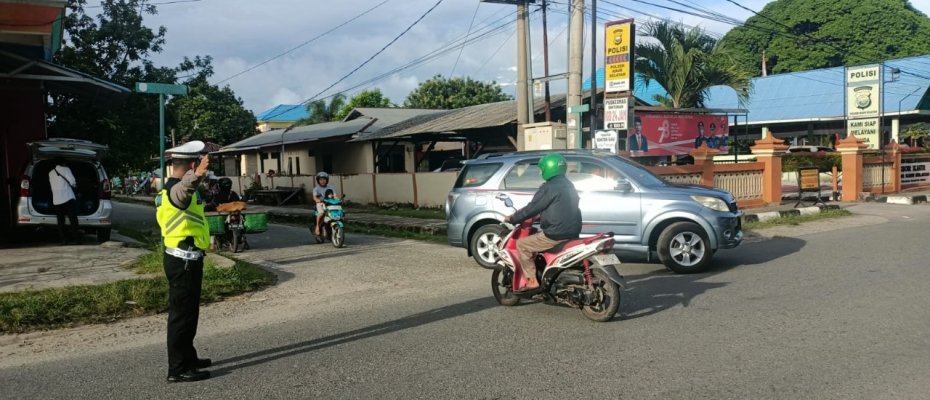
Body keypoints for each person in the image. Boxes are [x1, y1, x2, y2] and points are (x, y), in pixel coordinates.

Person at [155, 141, 212, 383]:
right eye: (195, 165)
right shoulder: (175, 189)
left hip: (186, 259)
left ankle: (189, 357)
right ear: (191, 164)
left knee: (189, 314)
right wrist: (196, 176)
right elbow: (183, 194)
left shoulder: (168, 188)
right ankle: (177, 369)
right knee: (181, 316)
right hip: (182, 262)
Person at [503, 154, 582, 294]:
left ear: (548, 168)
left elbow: (532, 207)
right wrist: (543, 216)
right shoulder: (569, 185)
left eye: (542, 169)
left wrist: (514, 218)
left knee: (522, 244)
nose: (540, 172)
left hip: (555, 233)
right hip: (573, 232)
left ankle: (532, 281)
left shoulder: (549, 187)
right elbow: (560, 207)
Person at [48, 157, 82, 245]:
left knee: (60, 221)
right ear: (63, 163)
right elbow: (72, 181)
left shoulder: (51, 173)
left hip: (57, 199)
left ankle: (63, 239)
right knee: (73, 219)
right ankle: (76, 239)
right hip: (67, 197)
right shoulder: (66, 169)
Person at [313, 171, 338, 236]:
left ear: (327, 180)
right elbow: (315, 197)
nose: (322, 181)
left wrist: (338, 200)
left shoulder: (331, 187)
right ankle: (317, 227)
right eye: (321, 180)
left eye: (324, 179)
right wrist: (318, 200)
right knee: (321, 213)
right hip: (321, 203)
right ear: (318, 181)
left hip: (330, 203)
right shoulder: (316, 189)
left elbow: (335, 196)